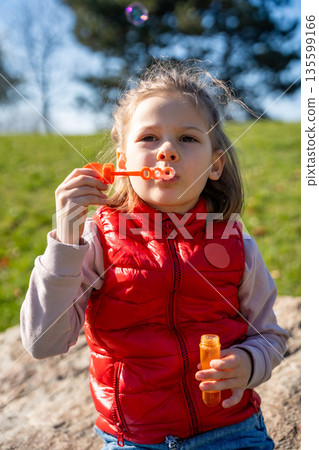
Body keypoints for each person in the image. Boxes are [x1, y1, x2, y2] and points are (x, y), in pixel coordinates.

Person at [21, 59, 288, 450]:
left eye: (187, 138)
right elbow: (42, 342)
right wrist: (65, 239)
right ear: (123, 163)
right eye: (149, 138)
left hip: (232, 430)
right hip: (135, 440)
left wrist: (249, 364)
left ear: (215, 165)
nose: (166, 151)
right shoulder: (95, 240)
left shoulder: (235, 241)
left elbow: (270, 335)